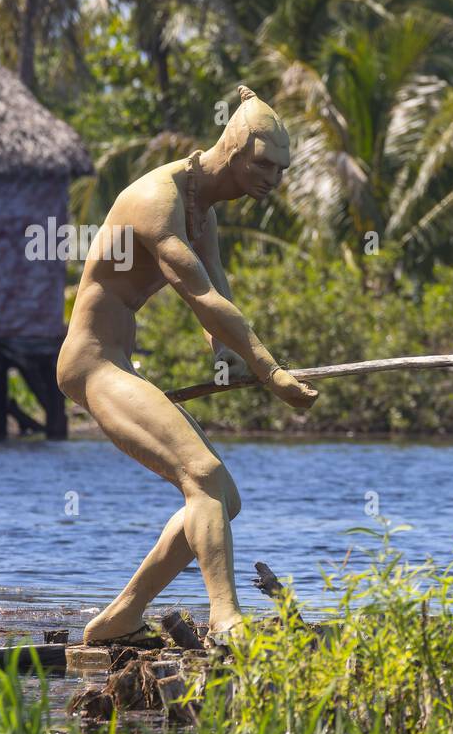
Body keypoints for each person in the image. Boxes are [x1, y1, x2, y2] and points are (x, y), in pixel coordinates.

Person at [56, 86, 317, 646]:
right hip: (92, 364)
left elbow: (217, 296)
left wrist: (226, 356)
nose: (274, 178)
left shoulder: (203, 213)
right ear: (233, 150)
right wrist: (271, 372)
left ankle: (119, 618)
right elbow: (200, 297)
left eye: (282, 168)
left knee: (224, 499)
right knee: (203, 479)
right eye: (265, 164)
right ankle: (226, 618)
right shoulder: (159, 201)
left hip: (119, 360)